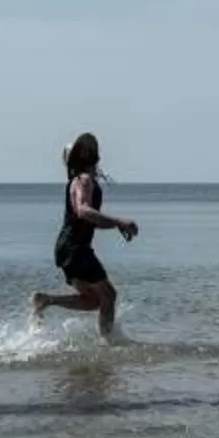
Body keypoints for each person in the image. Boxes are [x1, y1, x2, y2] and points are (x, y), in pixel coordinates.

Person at [31, 131, 137, 338]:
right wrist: (119, 221)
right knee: (108, 295)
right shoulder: (84, 180)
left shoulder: (79, 181)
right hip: (75, 247)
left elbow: (89, 220)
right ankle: (110, 344)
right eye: (84, 151)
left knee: (94, 300)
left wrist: (116, 226)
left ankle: (45, 300)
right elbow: (83, 210)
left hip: (67, 248)